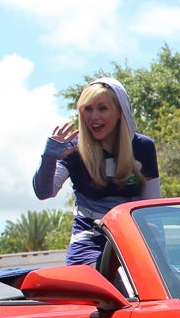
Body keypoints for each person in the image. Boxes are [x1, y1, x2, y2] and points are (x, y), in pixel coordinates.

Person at [33, 78, 161, 266]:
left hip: (132, 238)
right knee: (87, 284)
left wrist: (158, 254)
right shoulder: (72, 149)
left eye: (102, 108)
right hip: (88, 240)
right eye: (88, 109)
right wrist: (48, 158)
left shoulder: (143, 147)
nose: (94, 117)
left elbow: (152, 210)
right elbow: (44, 192)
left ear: (120, 112)